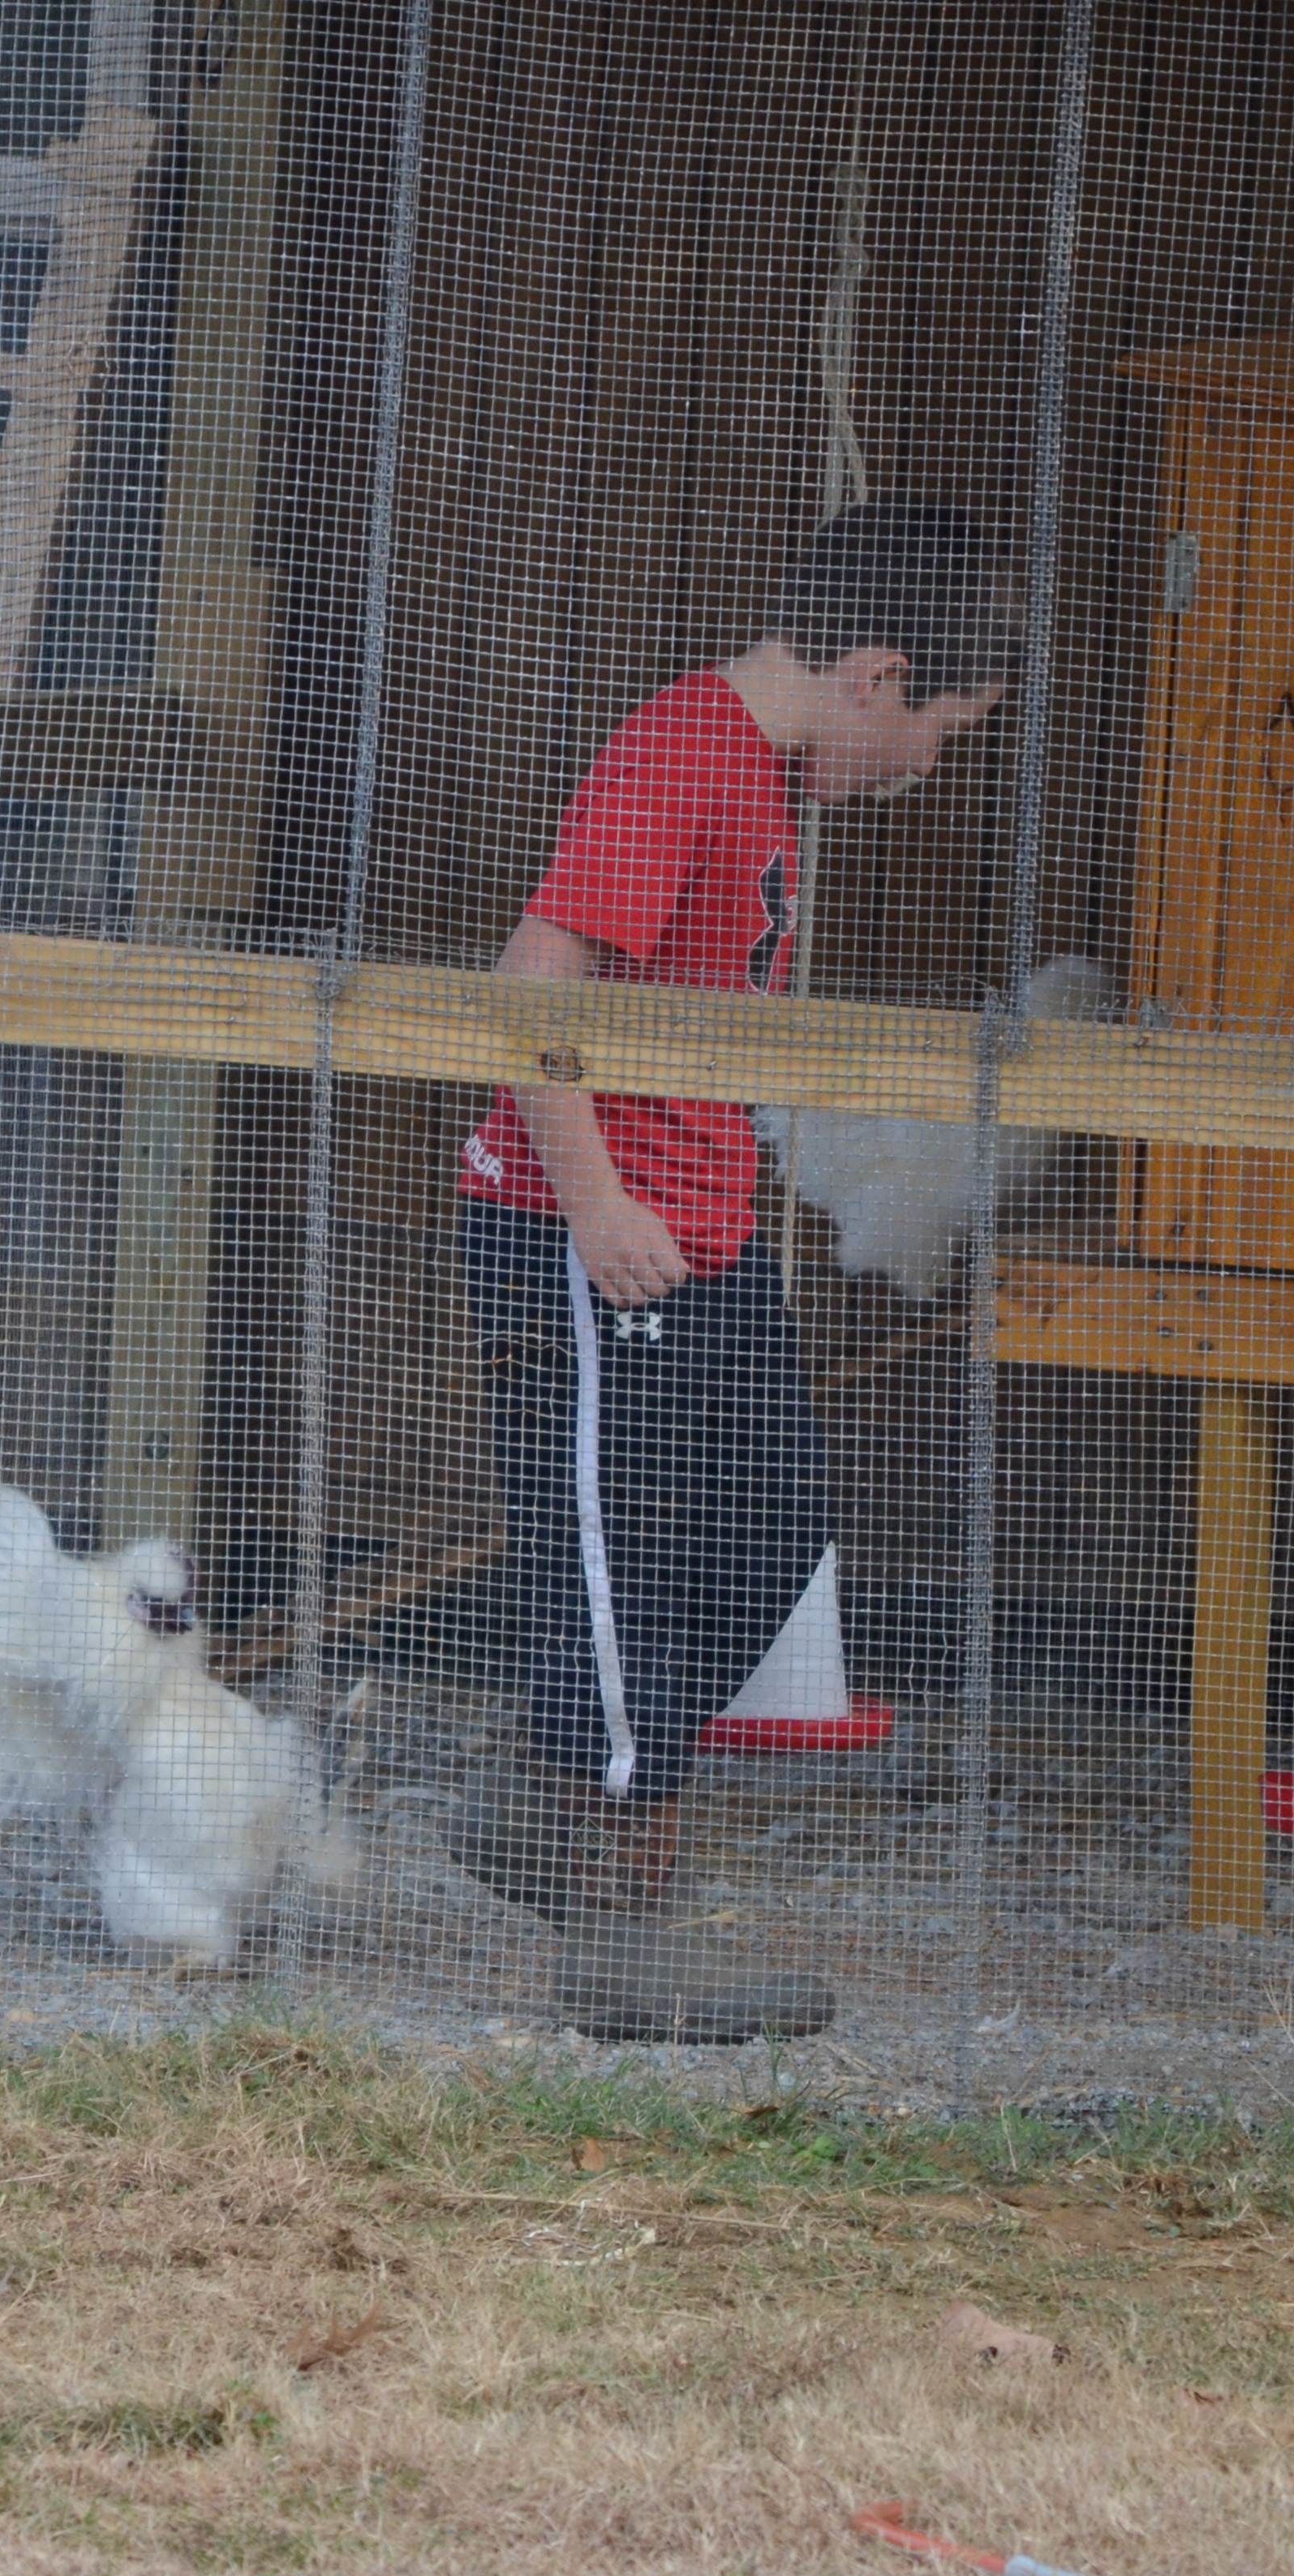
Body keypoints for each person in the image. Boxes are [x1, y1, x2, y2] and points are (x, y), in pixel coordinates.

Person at [449, 500, 1017, 2041]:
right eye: (938, 734)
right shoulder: (680, 757)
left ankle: (543, 1790)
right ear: (879, 678)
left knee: (769, 1533)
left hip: (704, 1235)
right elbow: (533, 985)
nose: (921, 771)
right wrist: (594, 1206)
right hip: (597, 1234)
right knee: (621, 1560)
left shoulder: (761, 782)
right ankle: (617, 1921)